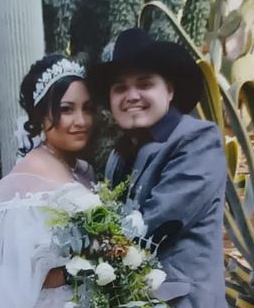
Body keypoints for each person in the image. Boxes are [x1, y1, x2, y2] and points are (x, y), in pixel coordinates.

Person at [90, 28, 227, 308]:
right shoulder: (119, 154)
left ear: (170, 90)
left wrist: (86, 246)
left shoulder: (196, 140)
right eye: (120, 88)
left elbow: (157, 224)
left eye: (144, 84)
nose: (131, 95)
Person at [0, 54, 96, 307]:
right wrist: (95, 263)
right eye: (66, 109)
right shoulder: (27, 176)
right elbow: (20, 273)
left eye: (87, 108)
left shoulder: (82, 169)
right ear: (42, 115)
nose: (81, 121)